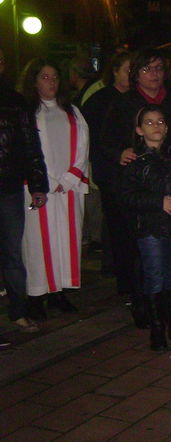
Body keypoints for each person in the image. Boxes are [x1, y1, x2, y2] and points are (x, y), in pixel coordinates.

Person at [101, 48, 171, 327]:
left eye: (158, 69)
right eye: (147, 69)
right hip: (137, 184)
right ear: (136, 74)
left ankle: (169, 297)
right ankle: (141, 299)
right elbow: (104, 139)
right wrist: (119, 152)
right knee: (138, 247)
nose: (154, 75)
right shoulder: (123, 103)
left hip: (169, 180)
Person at [119, 104, 171, 351]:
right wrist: (157, 202)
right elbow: (125, 196)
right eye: (150, 122)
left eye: (161, 122)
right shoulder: (135, 161)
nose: (157, 127)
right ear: (139, 129)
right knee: (154, 275)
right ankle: (157, 328)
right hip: (150, 227)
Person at [18, 59, 89, 318]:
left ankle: (59, 291)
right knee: (37, 243)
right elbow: (27, 148)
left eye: (55, 77)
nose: (51, 82)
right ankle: (37, 294)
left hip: (66, 188)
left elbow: (83, 143)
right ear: (34, 80)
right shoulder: (27, 112)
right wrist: (45, 179)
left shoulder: (72, 111)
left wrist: (70, 177)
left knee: (65, 240)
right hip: (39, 188)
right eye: (45, 77)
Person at [0, 48, 49, 334]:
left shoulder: (15, 101)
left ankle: (18, 310)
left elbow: (31, 144)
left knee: (12, 253)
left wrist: (37, 184)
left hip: (8, 187)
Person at [82, 52, 134, 301]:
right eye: (127, 70)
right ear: (115, 71)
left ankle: (123, 268)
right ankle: (117, 270)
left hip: (132, 173)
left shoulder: (134, 99)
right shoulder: (101, 99)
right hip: (110, 171)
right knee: (115, 221)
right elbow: (92, 137)